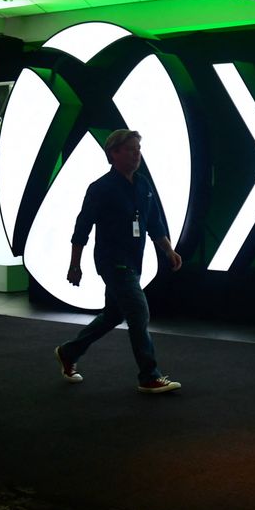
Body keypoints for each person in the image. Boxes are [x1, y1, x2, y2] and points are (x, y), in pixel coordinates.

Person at [54, 129, 184, 393]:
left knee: (113, 314)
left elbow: (154, 223)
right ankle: (149, 375)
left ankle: (69, 352)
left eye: (138, 149)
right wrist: (74, 264)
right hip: (112, 261)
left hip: (134, 261)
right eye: (131, 149)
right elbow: (82, 227)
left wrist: (168, 250)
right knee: (138, 311)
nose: (137, 154)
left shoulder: (143, 185)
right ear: (113, 153)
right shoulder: (100, 188)